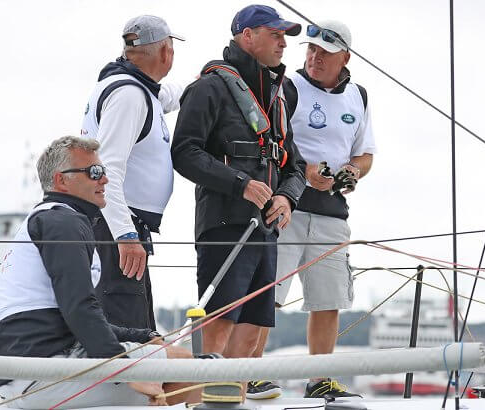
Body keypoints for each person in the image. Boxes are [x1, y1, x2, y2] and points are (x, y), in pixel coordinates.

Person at [0, 136, 200, 408]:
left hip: (25, 376)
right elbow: (79, 307)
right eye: (94, 172)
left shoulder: (46, 219)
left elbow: (64, 317)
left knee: (171, 370)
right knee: (205, 373)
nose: (105, 180)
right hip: (47, 373)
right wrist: (123, 370)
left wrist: (139, 336)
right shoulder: (63, 222)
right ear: (61, 181)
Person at [245, 20, 376, 399]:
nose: (315, 58)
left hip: (333, 211)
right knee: (268, 293)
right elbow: (270, 141)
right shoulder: (287, 87)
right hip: (287, 205)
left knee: (329, 299)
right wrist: (305, 170)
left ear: (345, 57)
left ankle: (320, 379)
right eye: (312, 50)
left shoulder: (359, 96)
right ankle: (250, 371)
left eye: (325, 53)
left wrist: (352, 171)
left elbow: (366, 155)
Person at [171, 4, 306, 366]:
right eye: (275, 35)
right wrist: (241, 184)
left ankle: (237, 393)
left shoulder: (281, 94)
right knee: (218, 331)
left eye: (284, 37)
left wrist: (287, 198)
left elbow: (295, 165)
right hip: (224, 226)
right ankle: (207, 393)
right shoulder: (208, 88)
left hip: (266, 231)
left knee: (252, 338)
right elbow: (184, 152)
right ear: (247, 36)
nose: (283, 44)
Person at [81, 15, 185, 330]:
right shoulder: (128, 94)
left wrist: (202, 80)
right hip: (115, 229)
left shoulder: (134, 88)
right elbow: (106, 169)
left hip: (116, 226)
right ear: (166, 51)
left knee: (138, 327)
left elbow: (166, 96)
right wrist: (125, 235)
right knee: (129, 333)